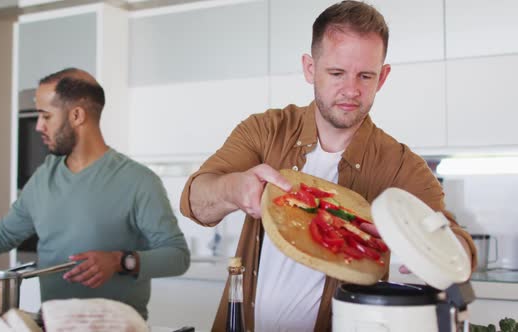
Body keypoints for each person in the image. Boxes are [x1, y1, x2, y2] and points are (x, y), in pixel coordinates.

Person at [180, 1, 476, 331]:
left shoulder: (401, 165)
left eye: (366, 75)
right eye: (336, 73)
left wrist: (415, 239)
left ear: (383, 77)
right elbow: (194, 202)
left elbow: (459, 253)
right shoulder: (265, 130)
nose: (351, 90)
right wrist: (234, 189)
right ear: (310, 68)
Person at [0, 68, 190, 319]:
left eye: (46, 116)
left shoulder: (138, 181)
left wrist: (120, 261)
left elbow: (177, 256)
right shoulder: (45, 177)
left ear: (76, 116)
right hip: (53, 324)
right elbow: (0, 236)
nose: (38, 126)